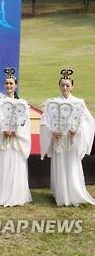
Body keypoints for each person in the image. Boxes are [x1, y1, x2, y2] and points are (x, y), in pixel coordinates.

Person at [40, 69, 95, 206]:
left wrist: (77, 131)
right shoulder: (52, 103)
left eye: (67, 85)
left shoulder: (79, 103)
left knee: (71, 166)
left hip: (72, 142)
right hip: (59, 141)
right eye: (62, 85)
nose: (65, 87)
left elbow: (89, 122)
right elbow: (44, 122)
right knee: (59, 166)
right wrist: (52, 132)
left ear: (72, 86)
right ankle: (61, 195)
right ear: (59, 86)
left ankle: (73, 193)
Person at [0, 67, 32, 206]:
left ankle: (15, 194)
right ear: (4, 85)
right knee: (2, 165)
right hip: (3, 140)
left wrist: (17, 131)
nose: (9, 86)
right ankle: (0, 193)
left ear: (16, 85)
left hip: (15, 141)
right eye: (7, 83)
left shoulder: (22, 104)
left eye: (11, 83)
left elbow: (25, 122)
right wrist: (3, 130)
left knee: (15, 164)